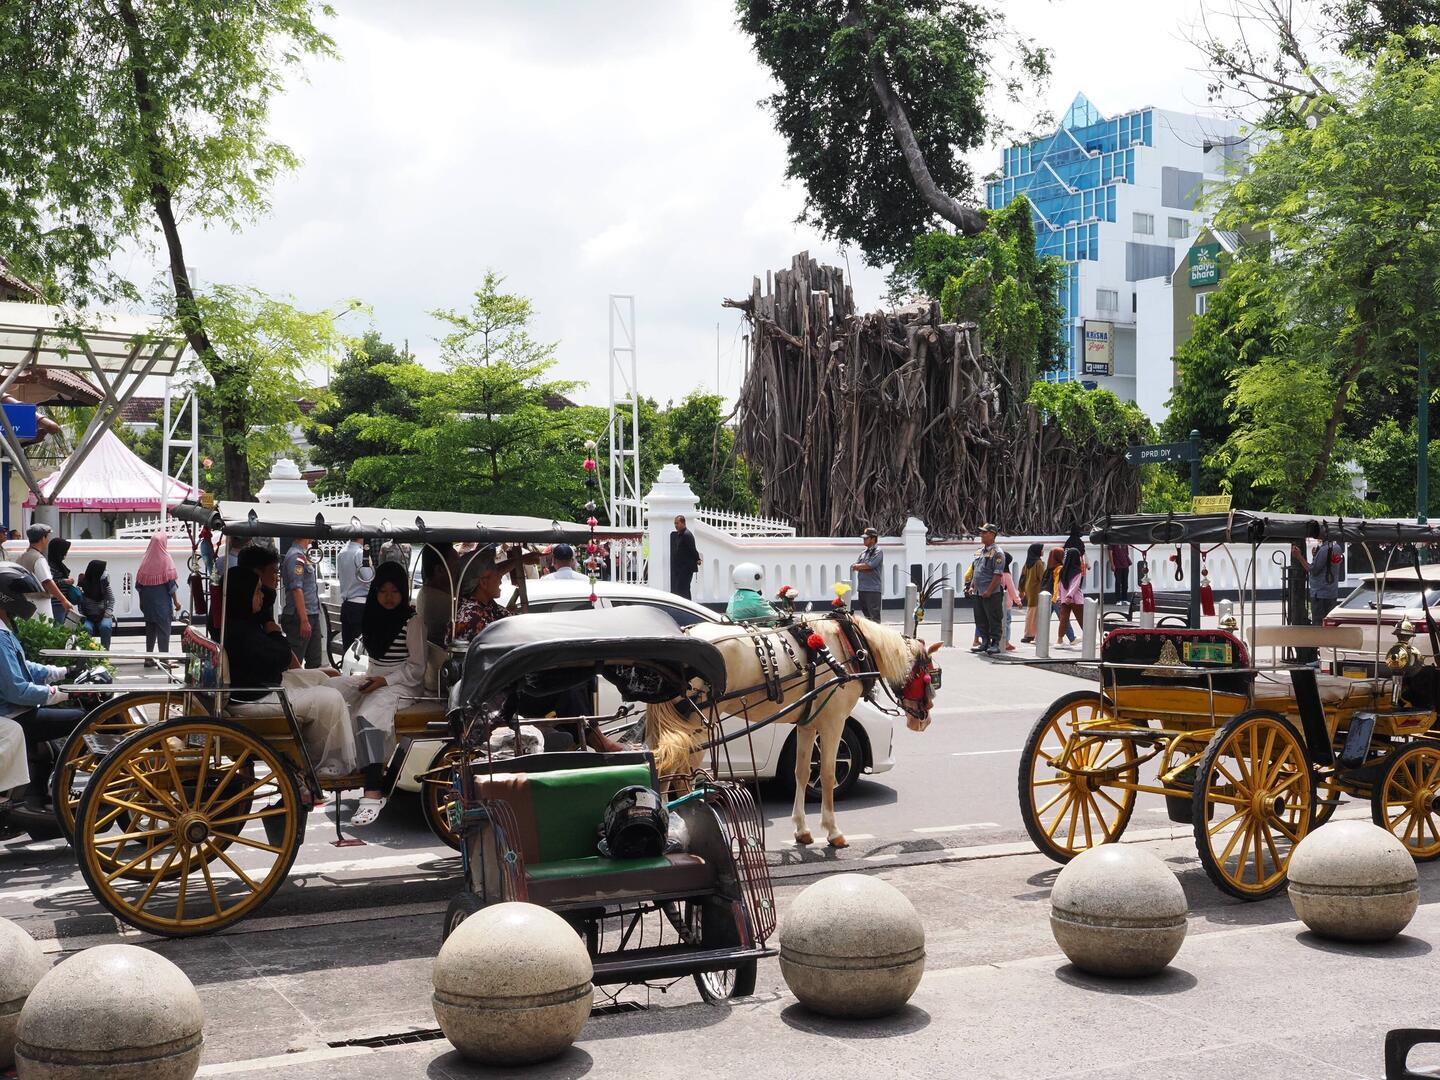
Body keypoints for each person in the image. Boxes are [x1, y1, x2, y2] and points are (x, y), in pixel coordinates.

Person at [222, 565, 359, 780]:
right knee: (330, 698)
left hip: (259, 686)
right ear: (243, 595)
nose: (262, 595)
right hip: (253, 697)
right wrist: (276, 634)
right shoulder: (241, 629)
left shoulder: (242, 621)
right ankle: (324, 764)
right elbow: (282, 656)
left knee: (322, 677)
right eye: (256, 591)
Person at [0, 563, 84, 811]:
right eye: (24, 596)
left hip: (15, 711)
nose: (27, 601)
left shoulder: (5, 631)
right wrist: (59, 693)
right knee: (81, 718)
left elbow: (22, 666)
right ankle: (45, 795)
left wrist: (62, 672)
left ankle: (37, 794)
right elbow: (18, 690)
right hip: (13, 713)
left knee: (53, 743)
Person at [349, 562, 427, 826]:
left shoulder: (412, 621)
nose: (389, 597)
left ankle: (373, 788)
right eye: (383, 590)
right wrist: (373, 680)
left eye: (395, 591)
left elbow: (417, 669)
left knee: (366, 714)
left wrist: (384, 680)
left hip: (403, 684)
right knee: (338, 697)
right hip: (376, 678)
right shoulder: (371, 615)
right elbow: (374, 663)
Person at [1292, 538, 1345, 664]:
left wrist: (1299, 557)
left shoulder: (1324, 550)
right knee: (1328, 626)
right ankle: (1328, 656)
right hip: (1331, 592)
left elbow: (1312, 569)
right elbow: (1327, 565)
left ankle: (1321, 658)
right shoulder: (1337, 548)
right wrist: (1316, 555)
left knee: (1318, 626)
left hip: (1319, 593)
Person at [136, 531, 181, 659]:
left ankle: (148, 659)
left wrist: (141, 602)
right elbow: (171, 586)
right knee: (164, 632)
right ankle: (164, 660)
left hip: (148, 605)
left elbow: (139, 585)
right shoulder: (166, 559)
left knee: (150, 632)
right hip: (162, 606)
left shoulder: (145, 559)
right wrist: (176, 602)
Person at [16, 524, 72, 623]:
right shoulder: (38, 559)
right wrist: (64, 600)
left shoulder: (20, 558)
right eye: (47, 537)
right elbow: (47, 582)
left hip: (23, 604)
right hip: (40, 605)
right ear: (43, 538)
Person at [281, 537, 323, 668]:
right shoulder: (297, 556)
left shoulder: (303, 555)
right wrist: (304, 620)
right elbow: (297, 588)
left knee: (315, 662)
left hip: (311, 614)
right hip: (300, 616)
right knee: (295, 663)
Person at [454, 550, 512, 641]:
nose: (500, 581)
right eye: (497, 575)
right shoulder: (472, 616)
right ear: (484, 582)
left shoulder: (490, 606)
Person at [970, 524, 1006, 655]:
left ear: (992, 534)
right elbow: (976, 570)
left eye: (984, 533)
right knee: (980, 618)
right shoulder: (980, 551)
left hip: (992, 593)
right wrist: (972, 586)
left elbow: (997, 574)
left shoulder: (998, 553)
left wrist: (989, 590)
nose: (982, 535)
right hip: (978, 592)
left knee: (993, 618)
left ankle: (995, 643)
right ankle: (984, 642)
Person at [337, 537, 369, 655]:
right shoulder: (360, 553)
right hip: (360, 606)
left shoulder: (342, 552)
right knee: (359, 651)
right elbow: (369, 577)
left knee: (348, 650)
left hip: (347, 605)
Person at [75, 560, 114, 648]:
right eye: (103, 570)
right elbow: (79, 602)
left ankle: (104, 654)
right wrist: (82, 614)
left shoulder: (104, 584)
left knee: (105, 627)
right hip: (87, 616)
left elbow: (111, 599)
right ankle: (87, 653)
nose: (105, 572)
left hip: (103, 615)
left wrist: (108, 611)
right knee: (86, 628)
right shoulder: (82, 584)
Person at [1056, 547, 1087, 647]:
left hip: (1064, 600)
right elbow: (1075, 585)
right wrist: (1070, 595)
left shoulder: (1063, 570)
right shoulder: (1077, 571)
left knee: (1063, 619)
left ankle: (1060, 640)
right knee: (1082, 619)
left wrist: (1060, 597)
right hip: (1076, 600)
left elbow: (1059, 585)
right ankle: (1089, 637)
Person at [852, 527, 884, 622]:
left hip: (873, 589)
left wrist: (862, 567)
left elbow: (870, 565)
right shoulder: (863, 553)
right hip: (862, 588)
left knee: (874, 617)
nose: (864, 540)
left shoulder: (878, 551)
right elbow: (855, 567)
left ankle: (877, 636)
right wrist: (863, 567)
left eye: (866, 538)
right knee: (867, 617)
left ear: (873, 539)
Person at [1047, 548, 1077, 644]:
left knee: (1045, 618)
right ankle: (1072, 638)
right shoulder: (1060, 568)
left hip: (1048, 596)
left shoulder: (1049, 567)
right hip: (1056, 596)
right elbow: (1057, 584)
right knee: (1064, 618)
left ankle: (1038, 637)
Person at [46, 537, 78, 621]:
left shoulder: (58, 565)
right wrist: (64, 581)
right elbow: (48, 583)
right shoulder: (50, 566)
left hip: (62, 603)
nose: (66, 553)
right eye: (64, 550)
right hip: (55, 603)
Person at [1018, 543, 1045, 644]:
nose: (1042, 551)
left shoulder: (1027, 563)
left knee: (1030, 613)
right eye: (1041, 549)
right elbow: (1042, 578)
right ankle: (1030, 635)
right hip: (1037, 591)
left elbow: (1022, 578)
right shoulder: (1038, 563)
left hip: (1029, 591)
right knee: (1034, 614)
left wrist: (1021, 590)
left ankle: (1029, 634)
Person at [669, 516, 700, 599]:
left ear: (683, 523)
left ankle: (687, 607)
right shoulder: (680, 534)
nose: (675, 525)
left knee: (683, 589)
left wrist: (697, 559)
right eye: (675, 523)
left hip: (686, 568)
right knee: (682, 589)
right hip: (681, 568)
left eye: (677, 523)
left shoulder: (687, 535)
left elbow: (692, 549)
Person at [1000, 551, 1021, 652]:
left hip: (995, 602)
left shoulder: (995, 573)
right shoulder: (1007, 575)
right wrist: (1018, 601)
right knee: (1007, 623)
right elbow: (1012, 590)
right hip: (1006, 604)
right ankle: (1006, 642)